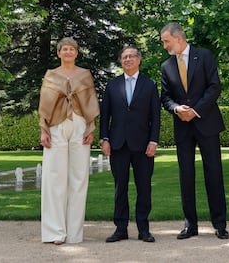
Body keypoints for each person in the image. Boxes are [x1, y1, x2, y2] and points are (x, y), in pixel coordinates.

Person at [160, 23, 229, 240]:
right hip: (182, 127)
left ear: (178, 38)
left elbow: (214, 87)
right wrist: (177, 108)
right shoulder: (166, 66)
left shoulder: (205, 55)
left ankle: (220, 225)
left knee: (214, 174)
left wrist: (196, 111)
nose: (164, 45)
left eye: (166, 41)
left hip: (206, 123)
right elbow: (165, 97)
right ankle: (190, 226)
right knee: (186, 176)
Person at [38, 37, 100, 244]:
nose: (68, 52)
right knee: (54, 178)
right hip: (56, 126)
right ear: (58, 53)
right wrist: (43, 130)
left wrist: (91, 128)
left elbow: (90, 102)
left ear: (76, 53)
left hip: (80, 126)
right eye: (64, 49)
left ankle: (74, 233)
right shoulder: (51, 75)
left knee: (79, 178)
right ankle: (55, 232)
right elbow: (44, 105)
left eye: (71, 49)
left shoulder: (85, 75)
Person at [100, 46, 160, 243]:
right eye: (124, 57)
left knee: (144, 188)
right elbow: (105, 115)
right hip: (118, 144)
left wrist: (153, 141)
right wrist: (104, 138)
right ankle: (120, 229)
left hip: (143, 146)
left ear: (139, 60)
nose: (127, 59)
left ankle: (144, 229)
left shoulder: (150, 85)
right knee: (120, 188)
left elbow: (155, 117)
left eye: (131, 56)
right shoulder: (112, 85)